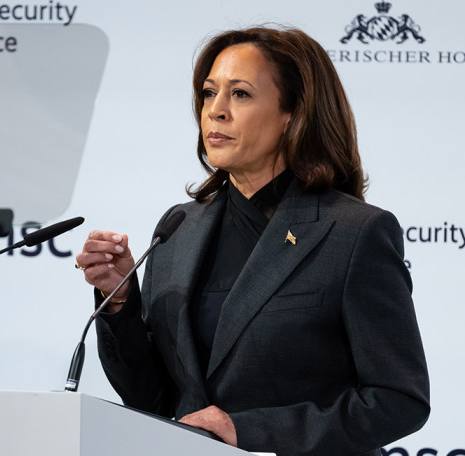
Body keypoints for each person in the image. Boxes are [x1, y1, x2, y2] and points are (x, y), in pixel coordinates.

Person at [75, 26, 429, 456]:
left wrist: (249, 432)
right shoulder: (178, 228)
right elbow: (152, 400)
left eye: (240, 94)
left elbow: (398, 400)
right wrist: (119, 300)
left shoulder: (354, 232)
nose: (216, 111)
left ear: (293, 113)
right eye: (209, 93)